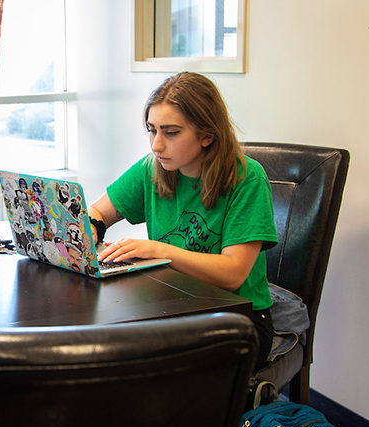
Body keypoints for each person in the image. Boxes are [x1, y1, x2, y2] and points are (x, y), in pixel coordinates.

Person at [88, 72, 277, 368]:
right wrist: (90, 228)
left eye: (171, 132)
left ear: (207, 135)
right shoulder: (152, 168)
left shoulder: (247, 179)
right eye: (152, 130)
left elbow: (233, 273)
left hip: (240, 320)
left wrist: (159, 251)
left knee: (132, 361)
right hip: (175, 304)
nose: (156, 145)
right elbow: (98, 212)